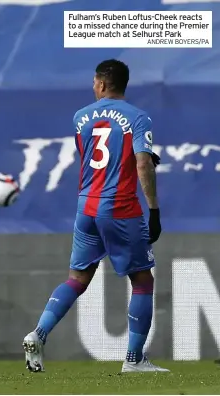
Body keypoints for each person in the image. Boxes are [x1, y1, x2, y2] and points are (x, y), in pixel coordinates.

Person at [22, 59, 169, 374]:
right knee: (142, 279)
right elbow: (142, 164)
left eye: (94, 82)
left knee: (76, 279)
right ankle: (134, 360)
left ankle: (38, 333)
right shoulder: (138, 118)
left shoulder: (80, 117)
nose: (93, 86)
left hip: (86, 205)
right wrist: (154, 208)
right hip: (119, 206)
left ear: (102, 84)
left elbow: (90, 156)